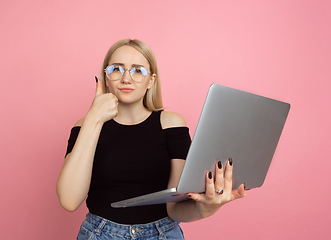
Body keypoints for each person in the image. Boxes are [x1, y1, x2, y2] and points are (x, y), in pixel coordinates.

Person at [56, 39, 246, 240]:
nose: (126, 79)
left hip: (162, 234)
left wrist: (206, 208)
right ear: (106, 76)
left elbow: (175, 209)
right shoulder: (84, 126)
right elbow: (69, 200)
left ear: (151, 81)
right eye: (116, 69)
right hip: (99, 234)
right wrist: (94, 118)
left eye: (138, 71)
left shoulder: (171, 124)